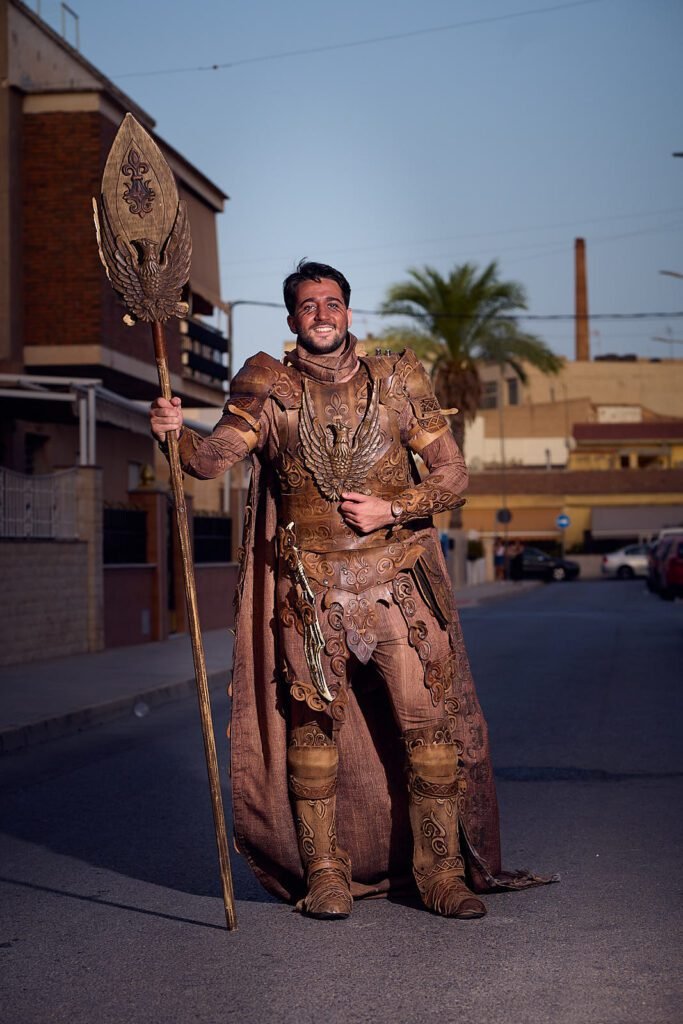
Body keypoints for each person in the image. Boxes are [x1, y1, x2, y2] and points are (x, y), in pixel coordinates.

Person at [150, 260, 550, 921]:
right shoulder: (265, 383)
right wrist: (173, 433)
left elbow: (452, 473)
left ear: (348, 312)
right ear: (291, 320)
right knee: (312, 735)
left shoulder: (397, 381)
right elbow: (211, 458)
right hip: (308, 592)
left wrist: (392, 510)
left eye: (331, 302)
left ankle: (441, 875)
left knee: (428, 735)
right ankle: (326, 875)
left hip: (396, 585)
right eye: (308, 305)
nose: (321, 314)